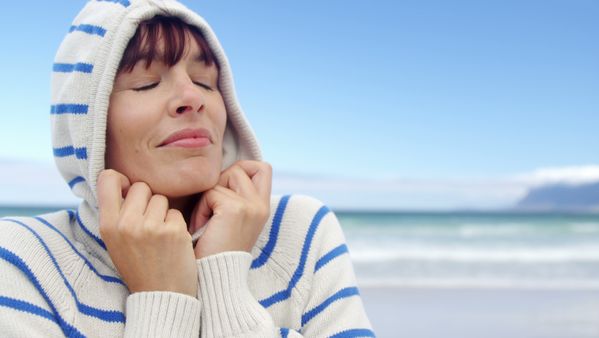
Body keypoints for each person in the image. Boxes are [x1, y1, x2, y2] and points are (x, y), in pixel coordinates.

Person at [0, 0, 374, 337]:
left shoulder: (300, 232)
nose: (192, 98)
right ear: (86, 123)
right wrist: (163, 297)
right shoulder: (21, 261)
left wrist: (223, 275)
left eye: (205, 82)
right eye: (146, 84)